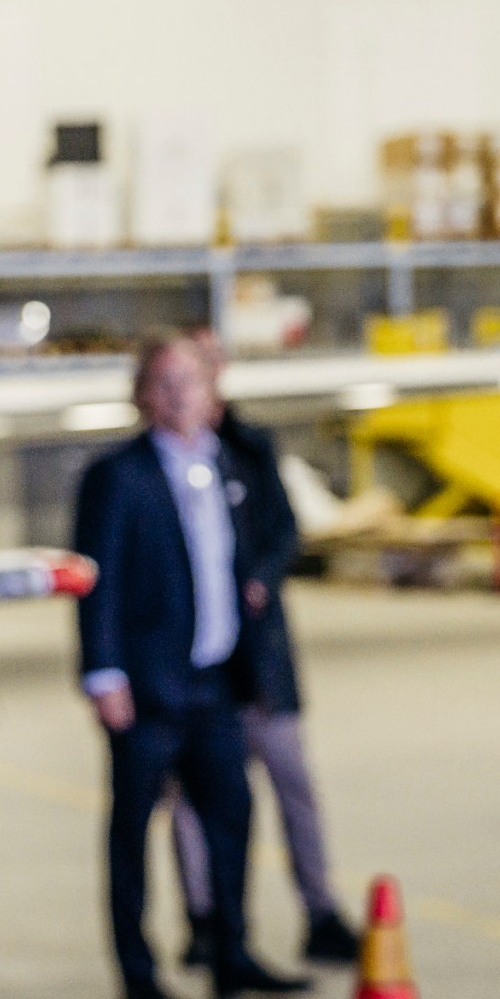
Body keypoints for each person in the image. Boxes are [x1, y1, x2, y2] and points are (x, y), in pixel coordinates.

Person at [71, 333, 311, 999]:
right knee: (133, 834)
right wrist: (102, 674)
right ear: (144, 395)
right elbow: (98, 583)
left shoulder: (227, 465)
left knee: (232, 814)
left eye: (193, 381)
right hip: (145, 689)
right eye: (165, 382)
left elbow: (257, 549)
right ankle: (138, 974)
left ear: (214, 392)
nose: (180, 394)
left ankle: (231, 954)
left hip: (213, 685)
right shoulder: (118, 475)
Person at [166, 336, 362, 966]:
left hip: (260, 661)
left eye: (210, 366)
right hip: (194, 671)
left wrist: (260, 577)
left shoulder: (251, 448)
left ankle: (320, 910)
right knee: (193, 804)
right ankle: (205, 921)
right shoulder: (152, 461)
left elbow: (284, 531)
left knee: (293, 784)